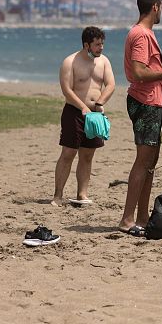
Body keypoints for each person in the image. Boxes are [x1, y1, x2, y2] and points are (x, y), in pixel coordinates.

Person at [119, 0, 162, 236]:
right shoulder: (142, 35)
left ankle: (142, 217)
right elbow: (140, 71)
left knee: (150, 162)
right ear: (155, 7)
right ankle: (127, 219)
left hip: (151, 101)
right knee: (143, 162)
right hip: (146, 101)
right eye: (161, 7)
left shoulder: (143, 33)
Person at [52, 26, 115, 206]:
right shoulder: (70, 61)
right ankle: (58, 195)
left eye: (102, 44)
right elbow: (67, 89)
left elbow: (110, 85)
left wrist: (100, 103)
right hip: (74, 112)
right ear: (86, 45)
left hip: (95, 114)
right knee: (68, 152)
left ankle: (82, 194)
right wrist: (82, 107)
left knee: (87, 155)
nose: (101, 48)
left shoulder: (104, 62)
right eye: (97, 45)